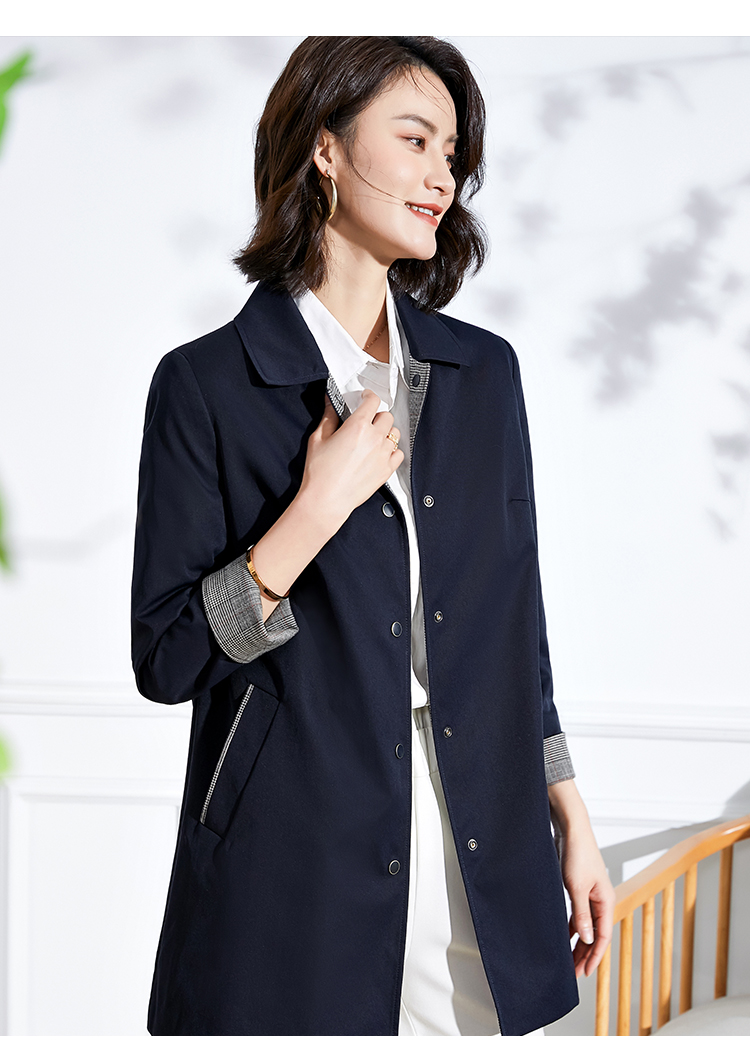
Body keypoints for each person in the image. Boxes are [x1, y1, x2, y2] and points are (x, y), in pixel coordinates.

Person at [131, 36, 615, 1037]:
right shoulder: (207, 385)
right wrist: (312, 512)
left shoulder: (484, 376)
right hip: (291, 855)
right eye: (416, 139)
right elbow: (167, 657)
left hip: (479, 836)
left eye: (454, 153)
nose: (444, 176)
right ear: (326, 148)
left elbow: (514, 622)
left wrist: (569, 810)